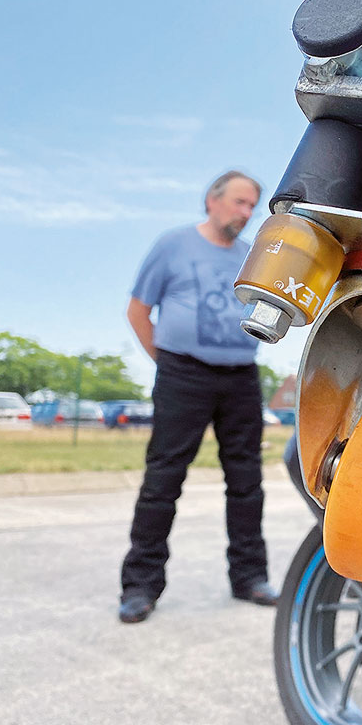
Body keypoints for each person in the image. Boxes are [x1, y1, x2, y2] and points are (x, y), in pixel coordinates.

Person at [118, 170, 277, 624]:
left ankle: (250, 577)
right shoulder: (173, 245)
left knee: (247, 483)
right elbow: (138, 311)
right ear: (212, 199)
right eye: (239, 203)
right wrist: (167, 363)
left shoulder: (253, 257)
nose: (246, 214)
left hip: (241, 376)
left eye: (252, 206)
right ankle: (141, 585)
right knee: (164, 479)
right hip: (183, 374)